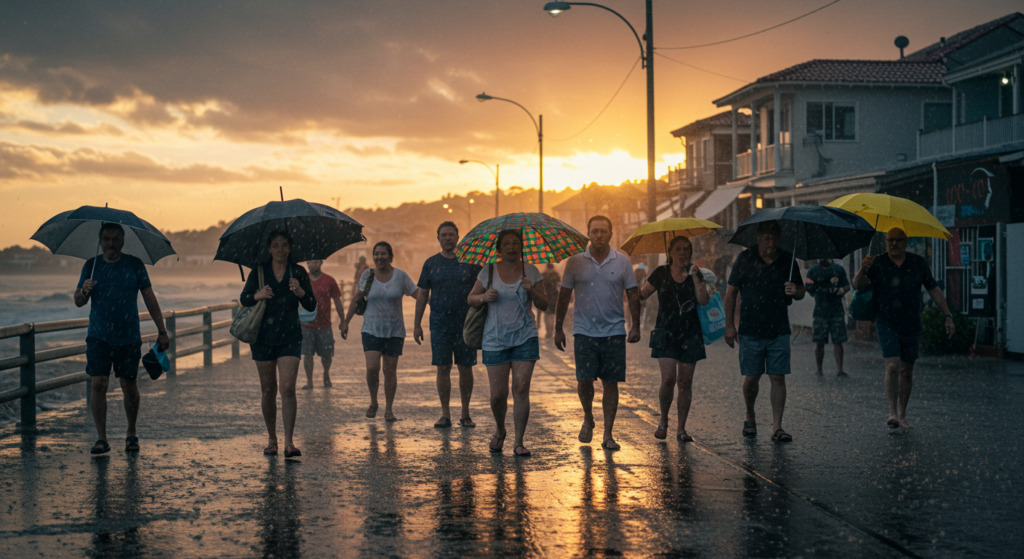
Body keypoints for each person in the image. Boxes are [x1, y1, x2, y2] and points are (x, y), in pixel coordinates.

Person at [74, 223, 170, 455]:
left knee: (129, 385)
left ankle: (131, 433)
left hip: (128, 337)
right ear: (100, 241)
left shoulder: (134, 265)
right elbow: (78, 301)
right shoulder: (91, 265)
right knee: (98, 384)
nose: (111, 244)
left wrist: (162, 330)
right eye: (106, 239)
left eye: (116, 239)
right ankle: (101, 439)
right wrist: (83, 290)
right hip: (98, 336)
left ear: (122, 242)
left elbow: (149, 298)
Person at [853, 227, 955, 429]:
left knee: (907, 371)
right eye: (890, 240)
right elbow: (858, 285)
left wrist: (948, 315)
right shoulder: (879, 261)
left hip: (911, 322)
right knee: (892, 366)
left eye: (898, 240)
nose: (894, 244)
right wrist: (863, 268)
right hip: (886, 321)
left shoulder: (918, 263)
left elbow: (933, 289)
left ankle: (902, 414)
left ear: (906, 241)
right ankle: (892, 413)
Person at [554, 216, 640, 451]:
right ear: (588, 234)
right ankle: (588, 417)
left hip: (614, 331)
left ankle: (608, 434)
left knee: (611, 383)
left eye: (603, 231)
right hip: (584, 331)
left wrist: (635, 326)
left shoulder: (622, 261)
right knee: (584, 381)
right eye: (594, 231)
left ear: (611, 234)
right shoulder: (575, 262)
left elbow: (633, 295)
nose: (599, 235)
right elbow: (563, 296)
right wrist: (558, 328)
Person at [467, 230, 549, 457]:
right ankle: (500, 429)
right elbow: (471, 298)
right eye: (506, 244)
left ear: (521, 247)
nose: (511, 247)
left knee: (521, 389)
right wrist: (484, 297)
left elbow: (544, 304)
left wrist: (532, 289)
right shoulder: (489, 271)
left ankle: (519, 441)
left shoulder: (530, 271)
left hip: (525, 337)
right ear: (499, 249)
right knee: (498, 396)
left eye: (515, 243)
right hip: (494, 339)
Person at [724, 221, 805, 443]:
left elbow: (801, 291)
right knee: (752, 377)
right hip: (750, 329)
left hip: (779, 328)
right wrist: (729, 326)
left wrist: (795, 290)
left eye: (774, 238)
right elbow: (731, 293)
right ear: (758, 239)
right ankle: (750, 414)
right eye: (766, 238)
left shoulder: (788, 259)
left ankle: (777, 427)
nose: (771, 242)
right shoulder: (745, 259)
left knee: (778, 377)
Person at [239, 231, 316, 458]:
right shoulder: (259, 271)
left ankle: (289, 442)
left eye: (284, 245)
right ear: (269, 249)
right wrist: (258, 295)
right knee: (268, 389)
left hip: (290, 337)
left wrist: (300, 291)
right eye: (275, 245)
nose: (280, 249)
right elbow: (244, 298)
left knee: (288, 388)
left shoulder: (299, 272)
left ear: (290, 248)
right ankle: (272, 440)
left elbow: (311, 305)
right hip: (262, 337)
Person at [638, 236, 709, 443]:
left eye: (686, 249)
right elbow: (642, 295)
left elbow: (703, 300)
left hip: (690, 333)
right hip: (666, 332)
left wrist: (696, 279)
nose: (682, 253)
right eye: (677, 249)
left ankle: (681, 428)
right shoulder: (661, 272)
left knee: (685, 382)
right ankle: (663, 421)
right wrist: (631, 289)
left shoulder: (696, 273)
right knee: (668, 379)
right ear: (670, 253)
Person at [414, 221, 482, 428]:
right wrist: (417, 324)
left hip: (466, 325)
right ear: (438, 238)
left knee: (466, 368)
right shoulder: (431, 263)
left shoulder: (471, 263)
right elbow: (423, 295)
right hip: (440, 324)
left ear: (458, 237)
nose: (448, 238)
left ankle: (465, 413)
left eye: (451, 235)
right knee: (443, 367)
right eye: (444, 235)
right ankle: (445, 414)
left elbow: (482, 289)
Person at [342, 241, 419, 421]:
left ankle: (389, 409)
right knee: (372, 367)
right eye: (376, 254)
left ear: (391, 257)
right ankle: (374, 401)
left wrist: (437, 301)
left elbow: (418, 294)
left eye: (383, 254)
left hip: (395, 330)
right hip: (371, 329)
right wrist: (345, 322)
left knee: (390, 371)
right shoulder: (367, 275)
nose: (379, 257)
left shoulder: (401, 276)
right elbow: (356, 298)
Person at [300, 259, 344, 389]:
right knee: (307, 354)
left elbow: (337, 301)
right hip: (306, 325)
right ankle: (309, 381)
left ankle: (326, 374)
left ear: (320, 263)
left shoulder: (329, 280)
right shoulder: (302, 280)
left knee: (327, 354)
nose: (311, 265)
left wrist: (343, 320)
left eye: (314, 262)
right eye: (309, 262)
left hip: (324, 325)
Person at [805, 258, 851, 377]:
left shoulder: (838, 269)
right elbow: (808, 287)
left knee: (838, 341)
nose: (822, 258)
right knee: (819, 342)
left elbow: (847, 285)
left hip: (836, 311)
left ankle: (839, 370)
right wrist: (822, 289)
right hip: (820, 311)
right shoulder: (813, 270)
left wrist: (841, 289)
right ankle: (819, 369)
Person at [537, 263, 561, 338]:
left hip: (545, 296)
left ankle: (548, 330)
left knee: (547, 314)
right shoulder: (556, 275)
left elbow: (539, 286)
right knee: (551, 315)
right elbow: (559, 286)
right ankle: (550, 329)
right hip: (554, 296)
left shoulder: (543, 275)